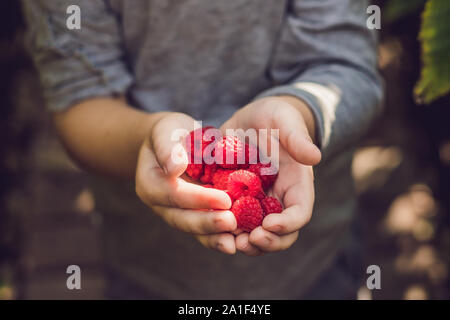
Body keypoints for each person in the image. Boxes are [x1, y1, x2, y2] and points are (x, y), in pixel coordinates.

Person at [22, 0, 383, 299]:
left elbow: (349, 65)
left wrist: (299, 112)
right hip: (149, 264)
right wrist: (146, 136)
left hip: (314, 259)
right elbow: (80, 98)